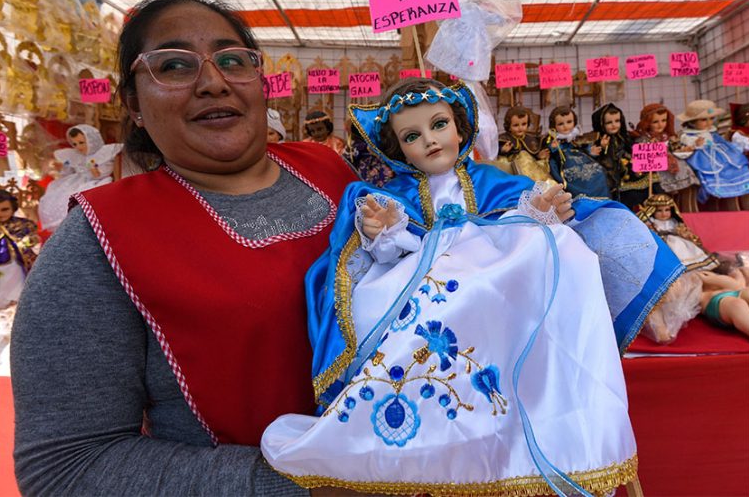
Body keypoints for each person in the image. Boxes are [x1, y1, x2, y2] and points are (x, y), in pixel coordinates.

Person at [261, 79, 683, 495]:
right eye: (412, 135)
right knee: (410, 308)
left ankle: (537, 408)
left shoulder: (493, 180)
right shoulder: (392, 193)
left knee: (555, 249)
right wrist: (384, 230)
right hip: (428, 278)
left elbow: (522, 220)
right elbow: (390, 251)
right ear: (397, 148)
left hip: (494, 272)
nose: (429, 140)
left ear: (461, 128)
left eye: (438, 124)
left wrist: (543, 214)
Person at [10, 0, 356, 496]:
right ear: (134, 105)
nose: (213, 82)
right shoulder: (99, 240)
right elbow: (65, 467)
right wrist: (304, 487)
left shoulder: (337, 171)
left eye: (233, 60)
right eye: (173, 66)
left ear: (261, 84)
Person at [37, 124, 123, 232]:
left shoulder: (103, 154)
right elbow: (70, 171)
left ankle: (78, 223)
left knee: (78, 197)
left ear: (92, 140)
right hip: (78, 179)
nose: (78, 147)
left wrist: (93, 169)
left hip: (95, 182)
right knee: (56, 190)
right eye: (75, 144)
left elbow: (100, 174)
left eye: (81, 143)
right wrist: (62, 167)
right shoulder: (76, 156)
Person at [676, 99, 749, 205]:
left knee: (735, 167)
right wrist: (696, 145)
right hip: (704, 157)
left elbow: (721, 142)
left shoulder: (712, 132)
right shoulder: (688, 135)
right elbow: (687, 147)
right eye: (703, 120)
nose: (709, 123)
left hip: (721, 155)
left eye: (711, 118)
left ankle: (737, 190)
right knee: (712, 173)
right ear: (692, 122)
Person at [633, 104, 700, 212]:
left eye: (664, 120)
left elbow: (676, 148)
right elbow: (642, 159)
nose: (660, 125)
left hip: (680, 170)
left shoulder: (668, 136)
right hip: (660, 173)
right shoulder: (643, 138)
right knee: (668, 200)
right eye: (655, 122)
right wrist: (651, 147)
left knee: (687, 196)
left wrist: (683, 149)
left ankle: (690, 217)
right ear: (646, 122)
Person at [0, 189, 39, 309]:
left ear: (13, 207)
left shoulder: (24, 225)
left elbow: (34, 241)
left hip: (19, 264)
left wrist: (30, 241)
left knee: (18, 285)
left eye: (4, 209)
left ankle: (17, 305)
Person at [591, 103, 648, 208]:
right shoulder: (598, 140)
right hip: (615, 176)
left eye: (617, 121)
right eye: (609, 122)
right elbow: (600, 159)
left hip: (631, 171)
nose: (614, 125)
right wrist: (603, 148)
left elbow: (632, 148)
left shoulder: (624, 136)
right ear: (601, 124)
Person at [546, 105, 610, 198]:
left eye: (569, 122)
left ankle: (602, 199)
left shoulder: (577, 138)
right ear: (554, 126)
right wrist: (554, 148)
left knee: (599, 173)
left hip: (582, 161)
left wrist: (591, 151)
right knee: (575, 179)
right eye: (560, 124)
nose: (565, 126)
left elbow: (584, 148)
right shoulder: (554, 141)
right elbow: (551, 154)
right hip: (565, 164)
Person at [497, 105, 555, 183]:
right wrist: (503, 150)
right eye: (516, 125)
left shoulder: (531, 139)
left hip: (532, 170)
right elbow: (497, 152)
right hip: (513, 170)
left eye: (524, 124)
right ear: (509, 126)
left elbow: (534, 153)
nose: (520, 128)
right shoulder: (504, 139)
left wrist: (539, 156)